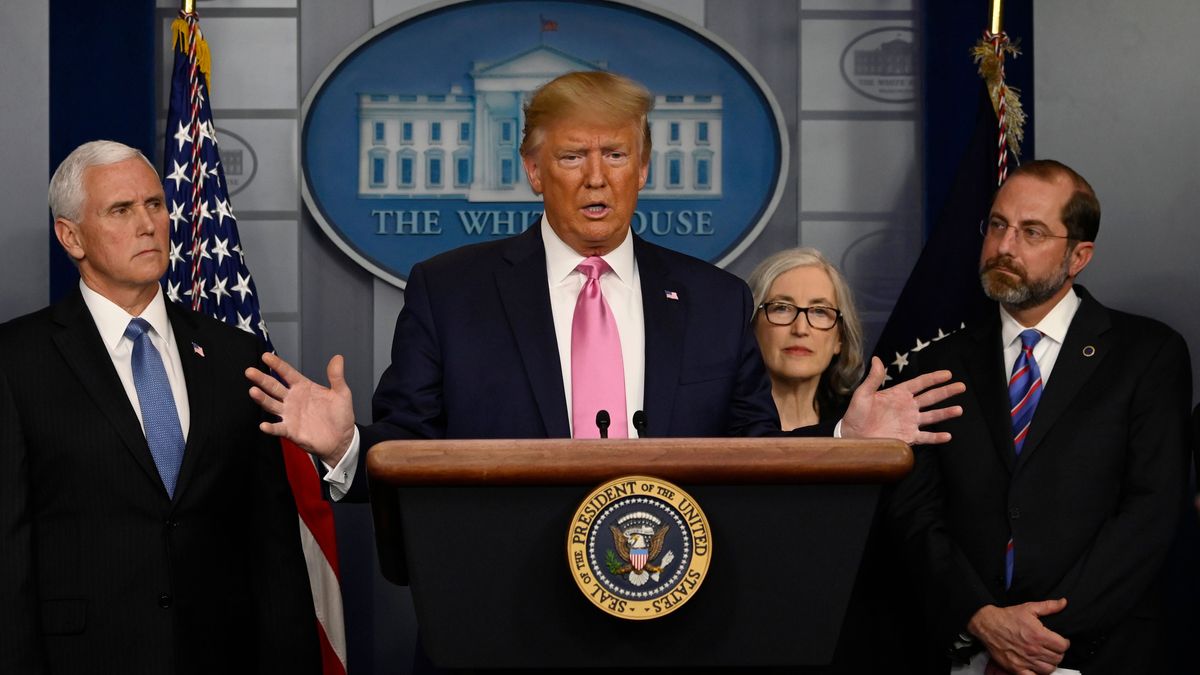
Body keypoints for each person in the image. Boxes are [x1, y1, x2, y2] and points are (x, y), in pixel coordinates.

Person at [246, 71, 964, 502]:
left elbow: (757, 459)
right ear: (533, 170)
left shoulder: (715, 300)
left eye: (616, 154)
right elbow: (407, 452)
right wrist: (343, 449)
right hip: (500, 616)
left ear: (644, 166)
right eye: (573, 156)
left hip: (679, 617)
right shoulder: (450, 292)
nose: (597, 176)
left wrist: (842, 442)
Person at [0, 141, 319, 673]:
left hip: (224, 655)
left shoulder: (235, 354)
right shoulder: (15, 361)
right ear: (70, 236)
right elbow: (8, 552)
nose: (148, 224)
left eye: (155, 204)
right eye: (121, 210)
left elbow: (273, 547)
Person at [887, 159, 1191, 674]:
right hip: (966, 654)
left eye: (1031, 232)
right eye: (998, 225)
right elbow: (917, 514)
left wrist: (1037, 639)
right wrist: (983, 620)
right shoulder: (935, 363)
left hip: (1096, 653)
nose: (1005, 247)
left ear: (1079, 255)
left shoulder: (1148, 355)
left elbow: (1150, 512)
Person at [748, 247, 865, 430]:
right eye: (782, 308)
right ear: (752, 327)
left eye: (819, 311)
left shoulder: (860, 426)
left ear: (839, 338)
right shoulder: (714, 424)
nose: (801, 329)